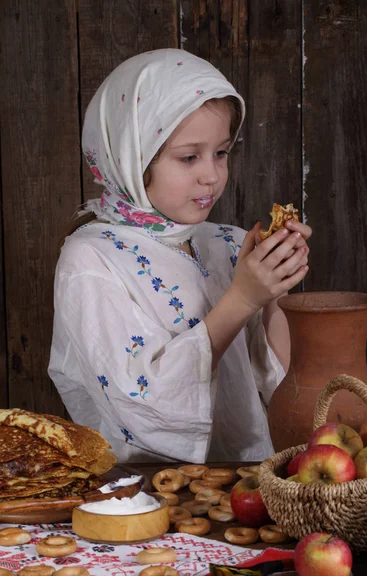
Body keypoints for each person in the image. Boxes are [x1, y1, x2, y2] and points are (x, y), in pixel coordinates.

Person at [48, 48, 311, 463]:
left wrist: (274, 286)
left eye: (221, 153)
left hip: (252, 485)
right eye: (189, 157)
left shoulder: (228, 243)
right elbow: (142, 405)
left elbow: (282, 382)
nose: (211, 174)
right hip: (146, 496)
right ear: (132, 160)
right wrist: (242, 298)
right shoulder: (91, 260)